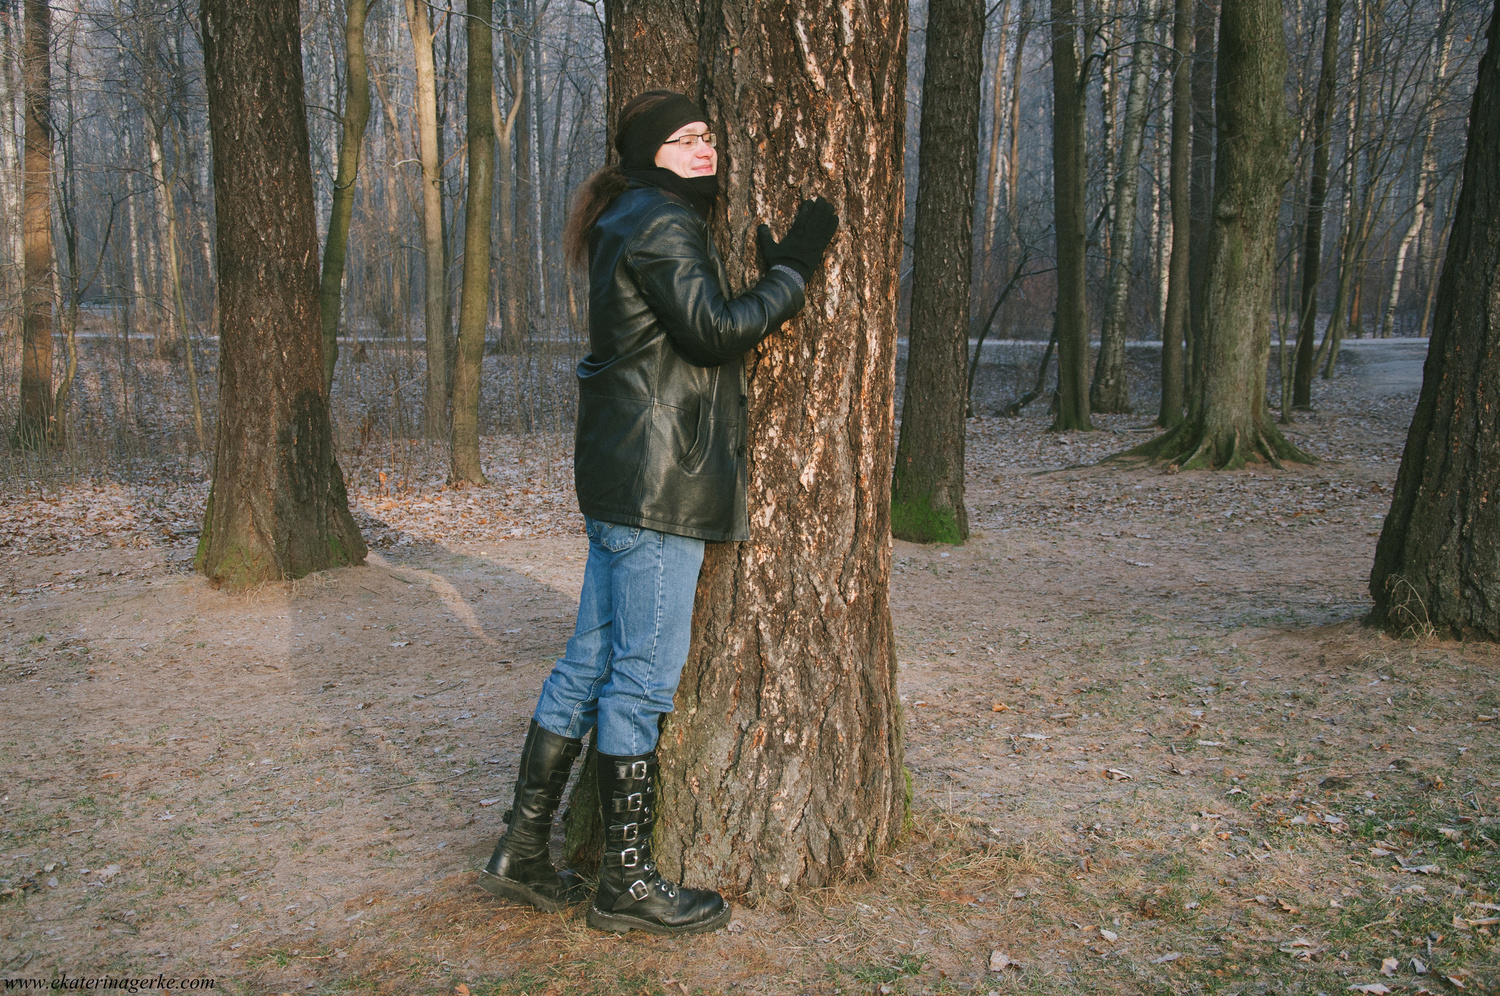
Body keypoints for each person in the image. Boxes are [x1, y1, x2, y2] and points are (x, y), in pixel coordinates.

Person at [476, 90, 838, 937]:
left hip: (620, 480)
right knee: (640, 676)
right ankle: (626, 886)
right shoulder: (663, 222)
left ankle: (522, 852)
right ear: (649, 152)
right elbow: (713, 332)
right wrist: (792, 271)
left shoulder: (626, 218)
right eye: (682, 139)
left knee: (588, 661)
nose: (702, 147)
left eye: (707, 134)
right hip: (658, 487)